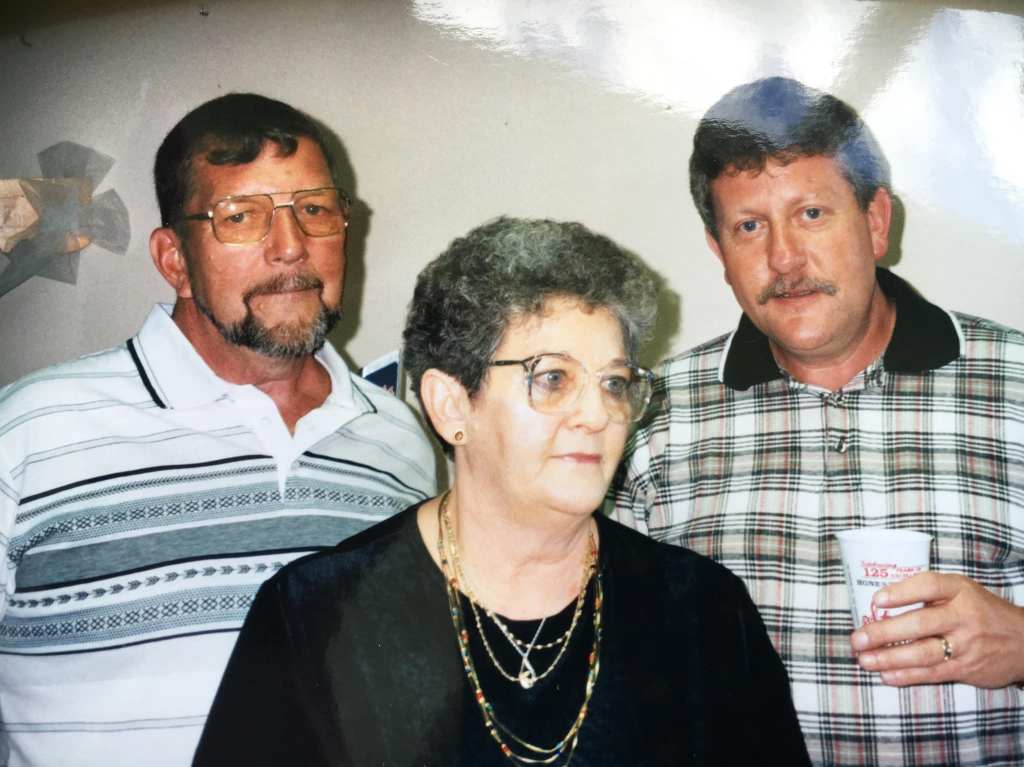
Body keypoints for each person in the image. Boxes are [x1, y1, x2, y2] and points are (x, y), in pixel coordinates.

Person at [192, 216, 810, 766]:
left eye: (615, 383)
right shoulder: (316, 616)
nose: (597, 414)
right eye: (554, 378)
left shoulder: (702, 610)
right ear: (450, 404)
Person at [0, 93, 436, 766]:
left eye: (315, 209)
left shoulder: (400, 443)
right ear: (174, 259)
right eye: (240, 216)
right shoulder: (32, 432)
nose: (291, 247)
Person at [612, 76, 1024, 766]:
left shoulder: (1015, 383)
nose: (784, 259)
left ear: (876, 221)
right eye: (750, 226)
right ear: (719, 251)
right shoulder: (649, 418)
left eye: (810, 213)